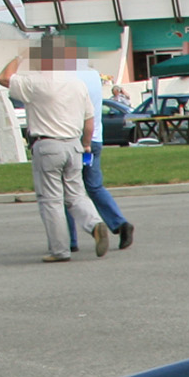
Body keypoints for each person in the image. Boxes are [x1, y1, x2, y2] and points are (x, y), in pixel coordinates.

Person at [0, 34, 107, 263]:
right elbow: (89, 119)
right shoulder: (76, 84)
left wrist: (21, 55)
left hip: (48, 144)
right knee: (76, 195)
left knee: (51, 200)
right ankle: (95, 224)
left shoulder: (35, 82)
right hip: (74, 144)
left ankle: (60, 249)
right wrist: (86, 144)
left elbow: (4, 78)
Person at [68, 51, 134, 252]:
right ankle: (119, 222)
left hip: (76, 137)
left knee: (67, 190)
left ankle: (69, 239)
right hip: (95, 137)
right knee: (94, 186)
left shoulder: (69, 78)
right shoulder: (93, 76)